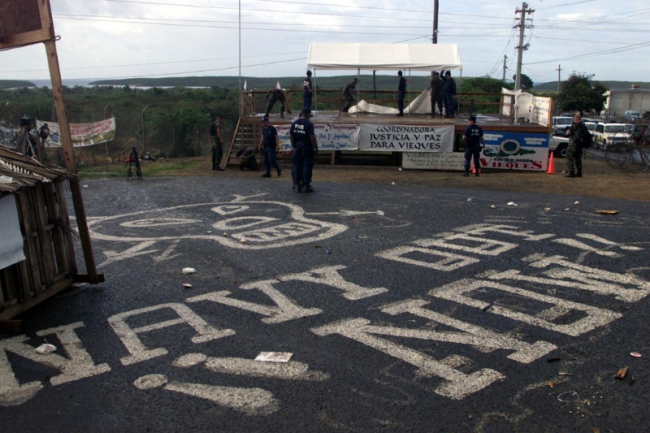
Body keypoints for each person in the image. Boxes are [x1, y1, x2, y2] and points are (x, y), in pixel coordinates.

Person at [290, 108, 318, 193]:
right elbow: (312, 137)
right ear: (307, 113)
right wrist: (316, 148)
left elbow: (291, 136)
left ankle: (298, 183)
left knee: (298, 165)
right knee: (307, 165)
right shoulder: (309, 124)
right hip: (307, 146)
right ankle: (306, 184)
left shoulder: (294, 123)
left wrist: (294, 145)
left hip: (297, 146)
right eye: (310, 114)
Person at [565, 113, 587, 178]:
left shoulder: (575, 126)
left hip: (573, 144)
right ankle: (579, 172)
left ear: (576, 119)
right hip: (580, 144)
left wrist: (567, 131)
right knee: (578, 158)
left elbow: (568, 133)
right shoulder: (583, 126)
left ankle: (571, 172)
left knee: (569, 157)